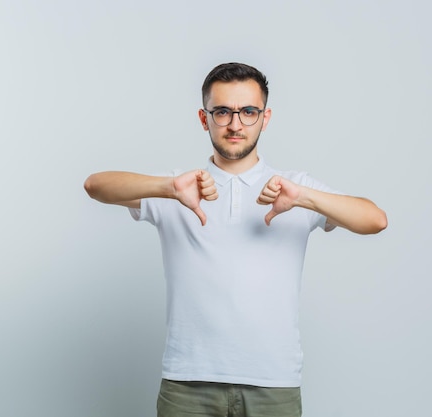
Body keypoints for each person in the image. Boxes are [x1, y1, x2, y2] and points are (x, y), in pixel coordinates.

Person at [84, 62, 387, 417]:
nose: (235, 124)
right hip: (187, 382)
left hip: (274, 382)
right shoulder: (181, 188)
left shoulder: (293, 186)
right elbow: (95, 186)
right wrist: (167, 187)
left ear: (265, 117)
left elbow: (375, 220)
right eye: (223, 112)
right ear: (204, 118)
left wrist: (303, 197)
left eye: (248, 112)